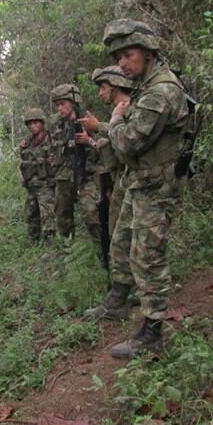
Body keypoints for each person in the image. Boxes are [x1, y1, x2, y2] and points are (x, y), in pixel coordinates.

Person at [91, 19, 190, 359]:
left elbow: (127, 142)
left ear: (148, 53)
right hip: (140, 182)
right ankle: (117, 301)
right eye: (118, 57)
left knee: (148, 257)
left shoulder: (161, 92)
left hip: (156, 185)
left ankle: (152, 332)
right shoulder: (146, 87)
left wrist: (116, 120)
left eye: (128, 55)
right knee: (121, 244)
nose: (122, 63)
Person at [76, 66, 137, 273]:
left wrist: (98, 127)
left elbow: (129, 139)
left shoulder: (130, 108)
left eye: (103, 87)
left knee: (125, 237)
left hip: (134, 180)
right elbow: (111, 145)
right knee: (118, 234)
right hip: (120, 179)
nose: (100, 93)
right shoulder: (118, 110)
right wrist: (92, 141)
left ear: (115, 86)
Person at [49, 83, 88, 239]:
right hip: (65, 175)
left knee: (91, 212)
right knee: (62, 212)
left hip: (86, 174)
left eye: (63, 104)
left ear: (73, 102)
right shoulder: (59, 127)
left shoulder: (87, 122)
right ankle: (67, 244)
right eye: (57, 105)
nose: (60, 108)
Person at [17, 108, 56, 243]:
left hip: (45, 184)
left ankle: (50, 243)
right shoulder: (27, 143)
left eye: (36, 123)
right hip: (31, 185)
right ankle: (34, 241)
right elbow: (23, 163)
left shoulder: (51, 140)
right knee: (31, 214)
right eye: (30, 124)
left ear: (42, 123)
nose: (32, 126)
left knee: (47, 214)